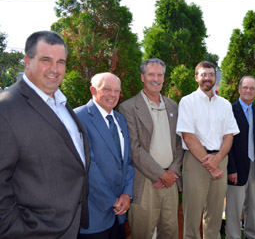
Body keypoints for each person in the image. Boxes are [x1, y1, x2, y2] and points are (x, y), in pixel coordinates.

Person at [0, 31, 90, 238]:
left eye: (61, 62)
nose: (55, 69)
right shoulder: (6, 108)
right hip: (35, 231)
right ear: (27, 61)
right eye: (46, 60)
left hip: (70, 225)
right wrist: (19, 230)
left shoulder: (60, 102)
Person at [119, 58, 183, 238]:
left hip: (171, 181)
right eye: (151, 75)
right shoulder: (128, 107)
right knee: (143, 233)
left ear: (164, 78)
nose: (156, 79)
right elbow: (134, 147)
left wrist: (171, 173)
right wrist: (160, 174)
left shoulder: (172, 106)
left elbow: (179, 144)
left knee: (170, 233)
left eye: (160, 75)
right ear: (142, 77)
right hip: (145, 181)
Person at [177, 61, 239, 239]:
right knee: (193, 213)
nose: (207, 78)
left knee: (215, 212)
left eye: (211, 74)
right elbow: (188, 136)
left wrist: (218, 158)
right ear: (196, 77)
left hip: (220, 159)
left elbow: (229, 135)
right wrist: (212, 165)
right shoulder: (187, 102)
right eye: (203, 74)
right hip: (196, 161)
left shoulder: (225, 104)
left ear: (215, 77)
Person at [75, 72, 135, 238]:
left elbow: (127, 161)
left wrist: (126, 194)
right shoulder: (78, 117)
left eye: (117, 90)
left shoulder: (120, 119)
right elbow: (86, 166)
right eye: (107, 89)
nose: (113, 95)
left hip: (119, 215)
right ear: (93, 90)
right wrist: (111, 201)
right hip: (94, 215)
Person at [224, 76, 255, 239]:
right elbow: (227, 142)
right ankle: (233, 236)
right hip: (236, 166)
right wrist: (231, 168)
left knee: (252, 205)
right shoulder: (229, 110)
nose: (248, 91)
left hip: (254, 165)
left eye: (252, 88)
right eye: (245, 87)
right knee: (234, 207)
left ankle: (252, 234)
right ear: (239, 89)